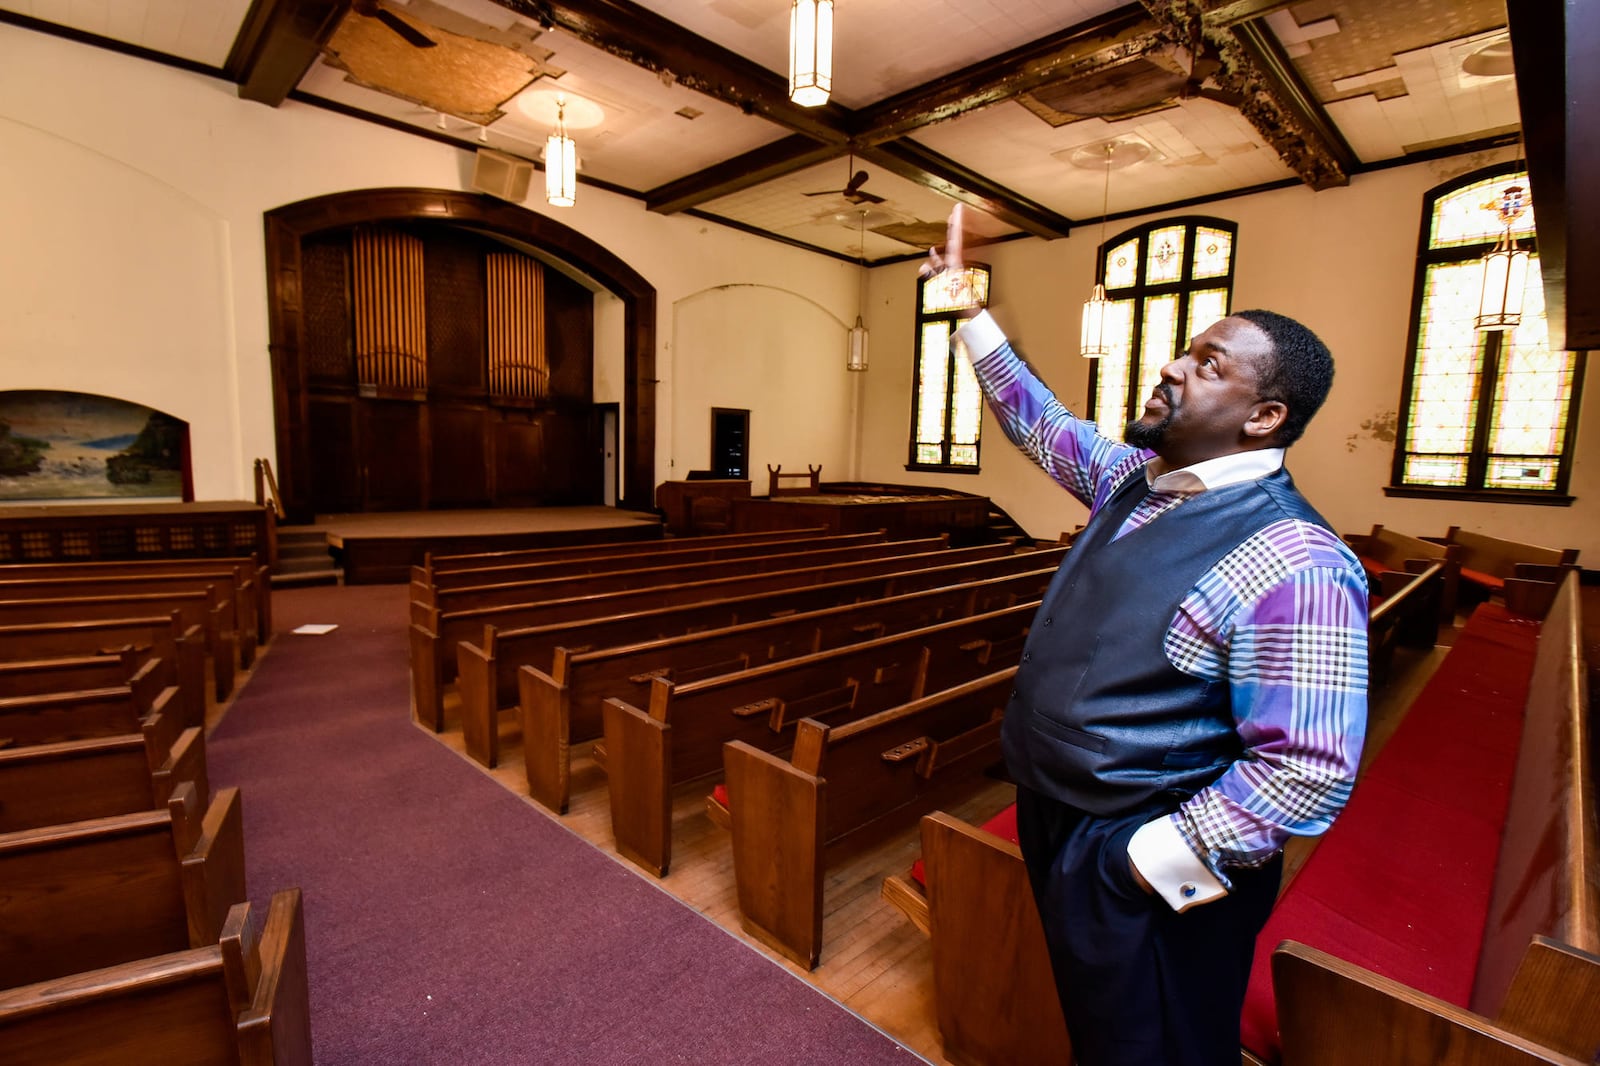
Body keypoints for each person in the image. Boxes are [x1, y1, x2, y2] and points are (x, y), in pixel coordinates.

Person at [924, 205, 1368, 1066]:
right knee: (1103, 1035)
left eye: (1207, 364)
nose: (1170, 365)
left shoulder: (1297, 557)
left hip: (1142, 849)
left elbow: (1307, 767)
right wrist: (968, 308)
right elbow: (1041, 424)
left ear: (1265, 416)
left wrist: (1147, 860)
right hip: (1063, 817)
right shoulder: (1136, 481)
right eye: (1187, 349)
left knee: (1157, 1044)